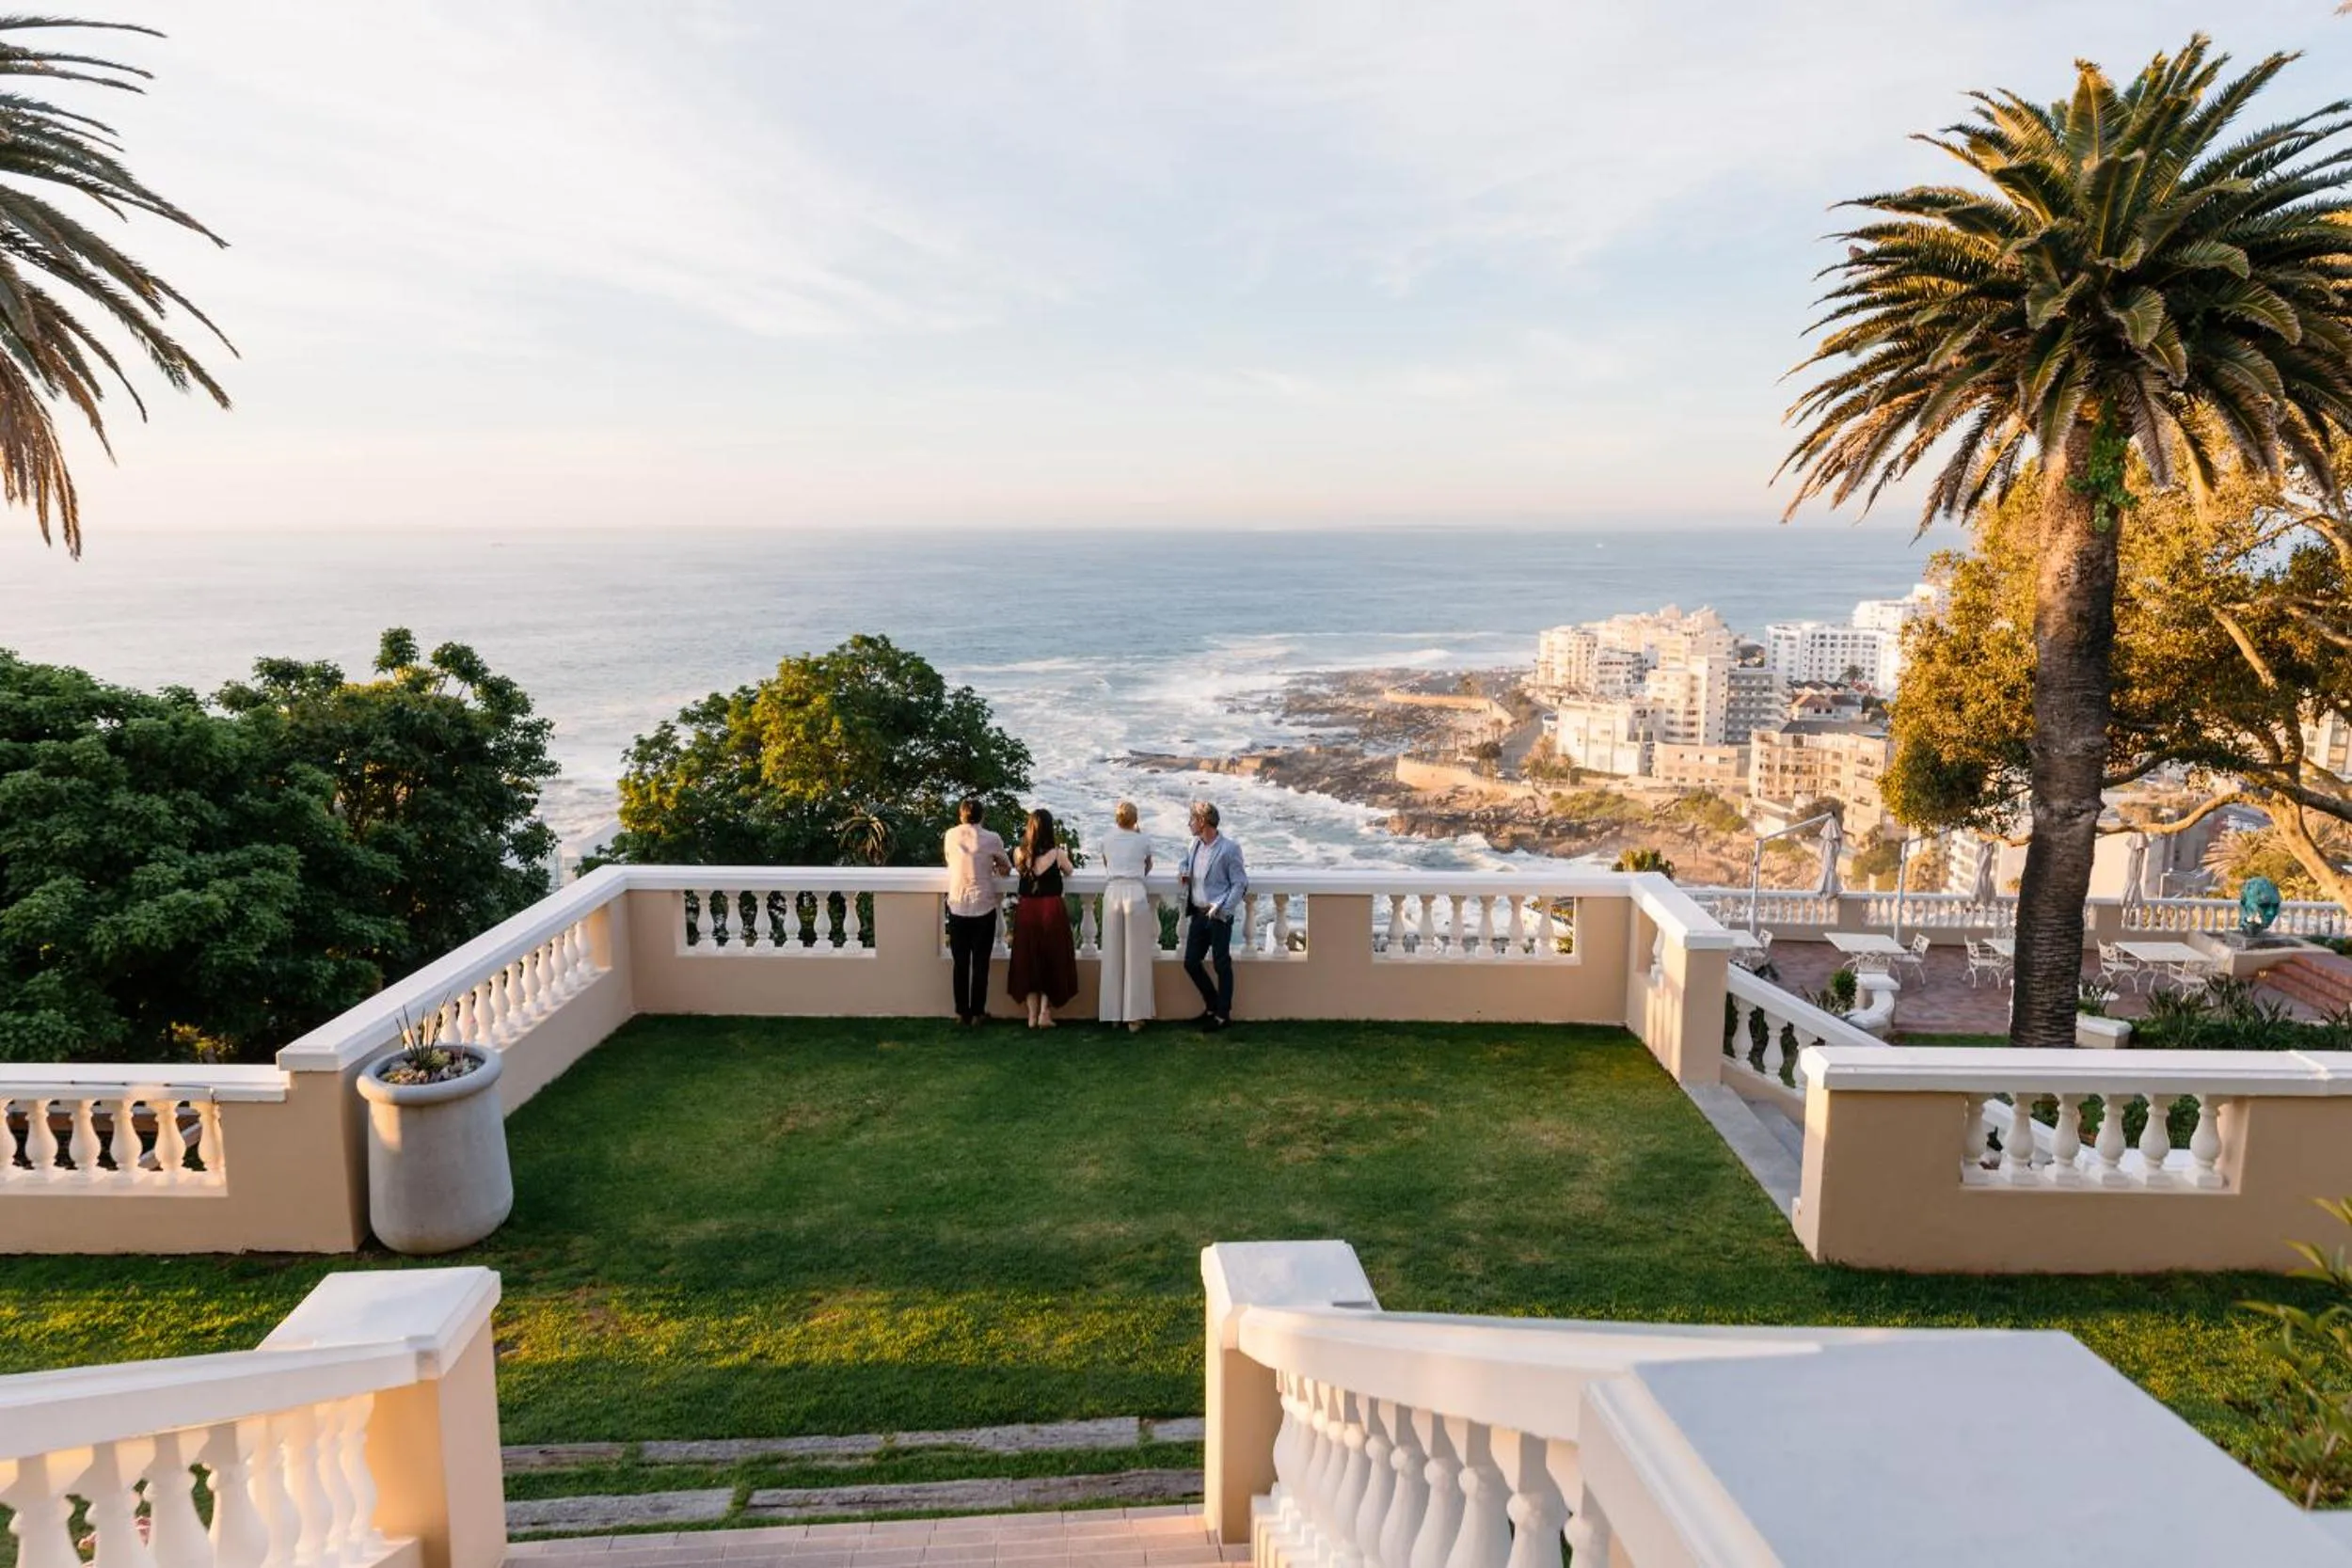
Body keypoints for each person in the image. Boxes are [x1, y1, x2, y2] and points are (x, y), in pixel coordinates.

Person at [1009, 807, 1080, 1028]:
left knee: (1028, 960)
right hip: (1051, 909)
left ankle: (1031, 1015)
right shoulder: (1057, 854)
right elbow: (1070, 871)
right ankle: (1044, 1014)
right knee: (1052, 959)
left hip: (1027, 909)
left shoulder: (1019, 853)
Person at [1178, 800, 1247, 1030]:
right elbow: (1185, 862)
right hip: (1198, 914)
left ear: (1202, 822)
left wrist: (1224, 909)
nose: (1189, 824)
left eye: (1192, 820)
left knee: (1221, 964)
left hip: (1217, 916)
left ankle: (1222, 1015)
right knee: (1190, 963)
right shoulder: (1194, 844)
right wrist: (1184, 871)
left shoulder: (1229, 849)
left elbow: (1240, 884)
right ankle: (1212, 1005)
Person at [943, 799, 1010, 1025]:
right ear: (982, 816)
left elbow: (951, 860)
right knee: (981, 963)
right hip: (983, 906)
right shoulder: (992, 839)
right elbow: (1005, 867)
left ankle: (962, 1012)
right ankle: (978, 1012)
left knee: (960, 963)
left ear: (961, 816)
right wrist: (992, 867)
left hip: (958, 904)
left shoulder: (950, 835)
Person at [1097, 801, 1156, 1031]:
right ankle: (1134, 1016)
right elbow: (1147, 866)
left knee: (1113, 953)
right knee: (1136, 956)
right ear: (1135, 819)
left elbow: (1107, 864)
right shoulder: (1143, 839)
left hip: (1113, 893)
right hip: (1135, 892)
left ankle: (1113, 1013)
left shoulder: (1106, 839)